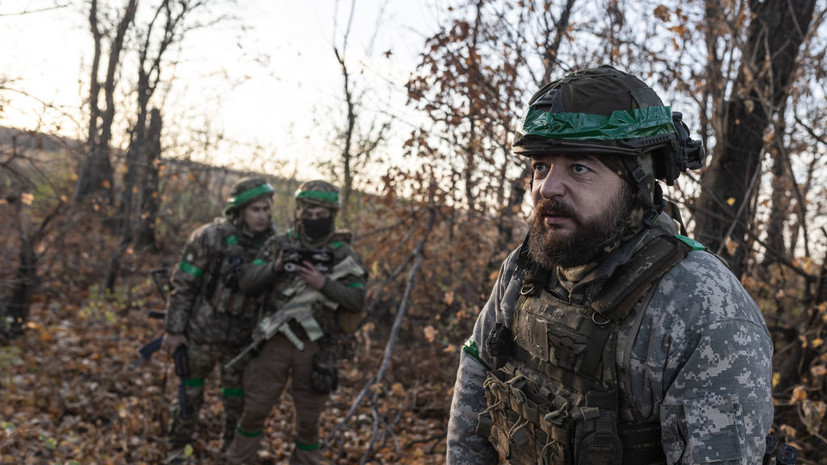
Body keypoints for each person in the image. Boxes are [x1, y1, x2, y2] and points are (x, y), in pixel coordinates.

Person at [446, 65, 774, 465]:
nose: (546, 188)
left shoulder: (703, 308)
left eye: (579, 167)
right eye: (540, 166)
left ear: (638, 181)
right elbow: (474, 387)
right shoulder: (529, 266)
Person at [225, 180, 367, 465]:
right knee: (254, 409)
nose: (314, 220)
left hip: (316, 348)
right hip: (274, 341)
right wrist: (275, 267)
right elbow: (248, 283)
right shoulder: (279, 244)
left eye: (321, 215)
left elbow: (357, 300)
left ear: (332, 214)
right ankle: (238, 460)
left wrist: (323, 283)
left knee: (308, 420)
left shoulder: (343, 253)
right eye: (309, 214)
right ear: (299, 212)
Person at [161, 177, 277, 462]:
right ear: (239, 211)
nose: (262, 216)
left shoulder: (274, 245)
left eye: (266, 209)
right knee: (190, 395)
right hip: (201, 333)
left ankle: (232, 452)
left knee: (237, 402)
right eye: (255, 210)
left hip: (242, 340)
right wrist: (174, 330)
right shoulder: (209, 237)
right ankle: (178, 450)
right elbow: (184, 284)